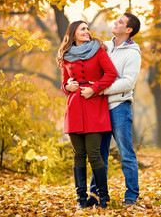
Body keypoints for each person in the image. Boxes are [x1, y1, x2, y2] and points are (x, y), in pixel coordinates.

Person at [57, 20, 117, 209]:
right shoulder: (66, 56)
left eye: (87, 29)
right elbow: (65, 84)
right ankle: (81, 200)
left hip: (94, 106)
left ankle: (104, 198)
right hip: (74, 108)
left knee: (94, 154)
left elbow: (111, 73)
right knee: (78, 154)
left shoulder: (98, 50)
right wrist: (68, 87)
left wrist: (94, 88)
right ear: (73, 32)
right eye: (83, 29)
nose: (87, 31)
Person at [86, 13, 141, 206]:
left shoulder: (133, 53)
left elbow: (128, 82)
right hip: (99, 107)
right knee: (99, 154)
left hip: (119, 107)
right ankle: (97, 194)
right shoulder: (105, 47)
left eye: (120, 22)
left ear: (128, 30)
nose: (115, 23)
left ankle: (132, 195)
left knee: (126, 152)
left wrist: (100, 90)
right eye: (117, 20)